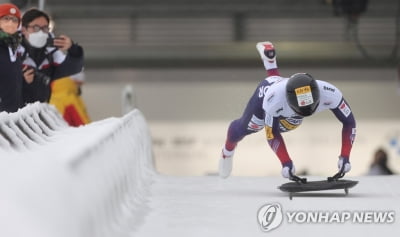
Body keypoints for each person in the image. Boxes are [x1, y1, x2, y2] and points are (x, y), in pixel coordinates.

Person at [219, 41, 356, 180]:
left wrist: (345, 155)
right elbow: (272, 134)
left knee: (292, 123)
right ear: (288, 100)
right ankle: (227, 151)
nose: (304, 111)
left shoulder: (331, 93)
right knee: (247, 127)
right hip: (265, 97)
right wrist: (285, 163)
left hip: (281, 96)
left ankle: (270, 61)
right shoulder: (273, 102)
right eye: (299, 108)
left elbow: (349, 122)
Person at [20, 8, 84, 105]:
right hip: (11, 115)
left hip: (39, 112)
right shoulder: (12, 51)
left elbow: (73, 68)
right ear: (24, 30)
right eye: (36, 28)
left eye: (45, 28)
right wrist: (21, 80)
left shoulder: (51, 53)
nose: (40, 33)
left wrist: (72, 48)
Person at [0, 3, 23, 113]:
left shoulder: (15, 47)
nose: (11, 23)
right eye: (6, 19)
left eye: (15, 20)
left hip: (11, 113)